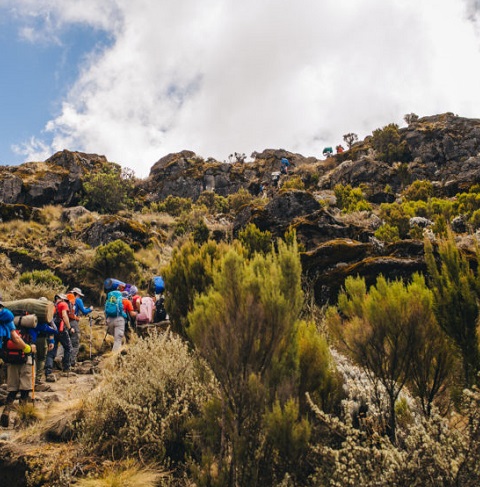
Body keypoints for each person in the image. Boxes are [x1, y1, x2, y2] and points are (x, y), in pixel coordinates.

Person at [0, 299, 36, 427]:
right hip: (25, 358)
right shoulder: (29, 325)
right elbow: (19, 338)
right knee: (25, 389)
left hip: (10, 358)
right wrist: (28, 348)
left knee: (12, 389)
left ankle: (7, 410)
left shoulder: (8, 320)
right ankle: (20, 418)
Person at [45, 294, 73, 382]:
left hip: (52, 330)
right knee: (68, 348)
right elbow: (64, 316)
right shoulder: (63, 304)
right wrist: (69, 328)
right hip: (61, 329)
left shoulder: (53, 305)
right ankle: (66, 367)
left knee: (52, 350)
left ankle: (48, 371)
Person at [68, 287, 93, 368]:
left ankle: (61, 358)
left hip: (65, 323)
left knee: (67, 341)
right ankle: (71, 361)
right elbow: (84, 311)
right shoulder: (78, 300)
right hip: (73, 322)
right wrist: (90, 309)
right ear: (77, 294)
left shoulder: (67, 298)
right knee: (75, 343)